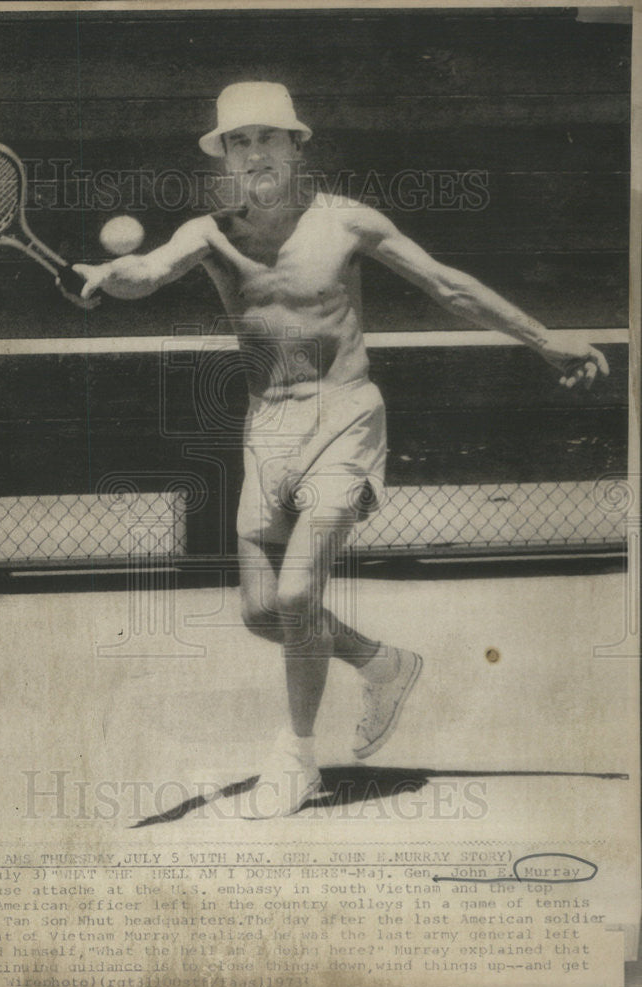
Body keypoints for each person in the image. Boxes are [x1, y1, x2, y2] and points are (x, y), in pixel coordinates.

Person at [63, 82, 609, 818]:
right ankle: (383, 664)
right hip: (268, 430)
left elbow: (449, 286)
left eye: (266, 138)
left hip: (346, 418)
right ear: (223, 157)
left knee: (296, 596)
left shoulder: (347, 222)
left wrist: (547, 342)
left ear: (296, 146)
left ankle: (294, 756)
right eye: (237, 141)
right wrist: (106, 275)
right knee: (262, 610)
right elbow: (148, 271)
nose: (253, 152)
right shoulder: (208, 232)